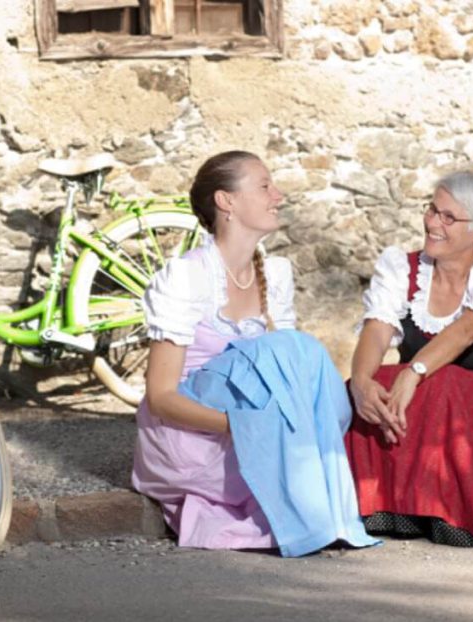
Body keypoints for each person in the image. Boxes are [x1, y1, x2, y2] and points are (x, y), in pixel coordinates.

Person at [131, 150, 378, 556]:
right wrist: (241, 426)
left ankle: (318, 503)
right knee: (287, 347)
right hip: (197, 436)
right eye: (264, 186)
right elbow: (161, 397)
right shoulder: (186, 277)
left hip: (258, 427)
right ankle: (307, 499)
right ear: (226, 201)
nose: (277, 195)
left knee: (299, 350)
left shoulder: (274, 274)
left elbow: (290, 372)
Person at [345, 170, 473, 547]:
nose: (432, 223)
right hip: (418, 402)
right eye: (432, 210)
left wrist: (414, 372)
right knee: (363, 387)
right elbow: (377, 329)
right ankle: (383, 503)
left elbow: (467, 330)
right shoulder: (401, 267)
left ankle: (454, 510)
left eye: (448, 217)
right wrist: (362, 382)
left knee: (442, 382)